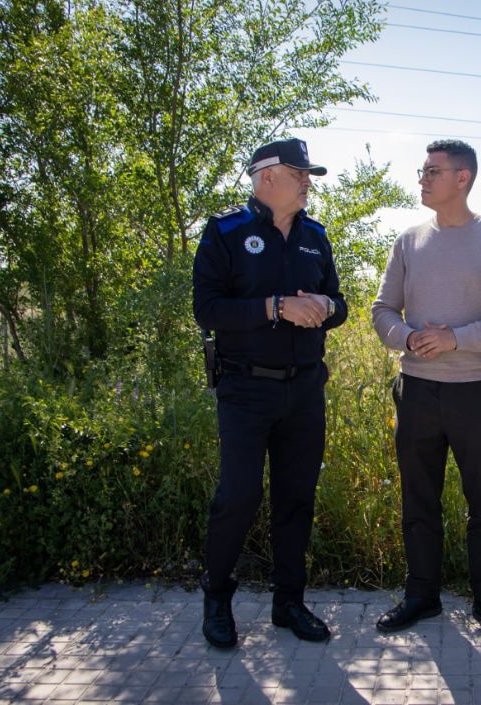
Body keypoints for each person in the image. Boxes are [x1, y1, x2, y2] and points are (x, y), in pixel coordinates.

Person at [371, 140, 481, 642]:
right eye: (422, 170)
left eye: (432, 171)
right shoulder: (408, 241)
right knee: (419, 499)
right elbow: (382, 310)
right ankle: (421, 596)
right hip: (416, 390)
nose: (422, 178)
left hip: (478, 394)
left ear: (462, 178)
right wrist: (408, 339)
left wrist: (455, 339)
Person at [192, 137, 348, 649]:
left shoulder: (314, 237)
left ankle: (289, 603)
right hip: (245, 389)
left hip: (304, 390)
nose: (308, 182)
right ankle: (217, 598)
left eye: (308, 174)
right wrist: (274, 307)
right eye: (300, 173)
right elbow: (208, 311)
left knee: (296, 499)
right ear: (267, 176)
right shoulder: (226, 232)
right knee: (236, 497)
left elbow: (339, 303)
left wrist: (327, 305)